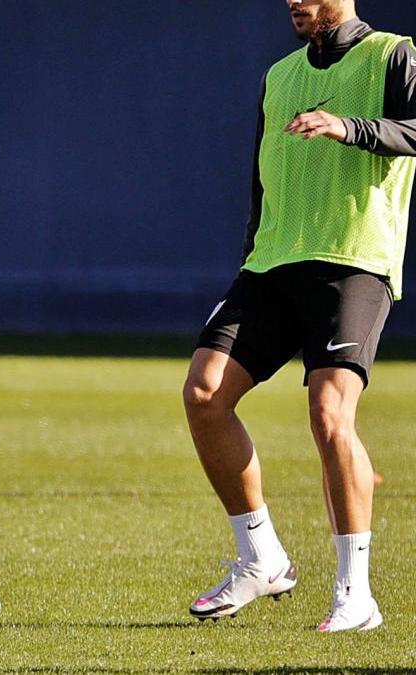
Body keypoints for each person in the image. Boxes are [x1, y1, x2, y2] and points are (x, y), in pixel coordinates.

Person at [183, 0, 415, 632]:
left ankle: (355, 594)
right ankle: (261, 558)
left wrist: (351, 127)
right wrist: (252, 250)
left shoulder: (393, 53)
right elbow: (263, 179)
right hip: (272, 263)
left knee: (329, 414)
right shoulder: (279, 74)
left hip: (353, 262)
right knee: (204, 394)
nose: (294, 1)